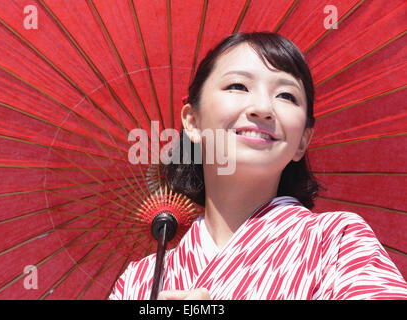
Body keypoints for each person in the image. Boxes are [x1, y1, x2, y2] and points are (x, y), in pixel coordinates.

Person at [109, 32, 407, 300]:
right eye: (238, 86)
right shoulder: (139, 282)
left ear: (302, 141)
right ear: (192, 121)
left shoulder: (337, 243)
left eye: (286, 95)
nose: (263, 108)